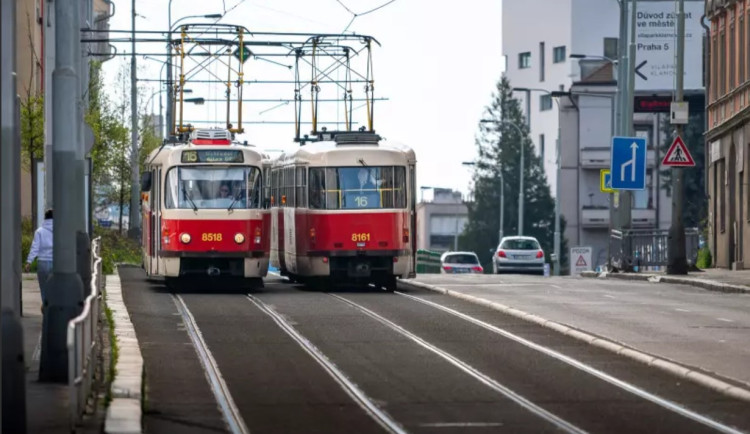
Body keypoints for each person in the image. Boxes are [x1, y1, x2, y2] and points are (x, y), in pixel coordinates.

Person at [25, 209, 53, 307]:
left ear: (45, 218)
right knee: (56, 287)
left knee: (44, 288)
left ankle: (46, 307)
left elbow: (35, 248)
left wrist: (29, 262)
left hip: (42, 262)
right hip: (57, 262)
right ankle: (54, 308)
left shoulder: (39, 231)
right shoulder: (60, 230)